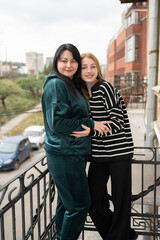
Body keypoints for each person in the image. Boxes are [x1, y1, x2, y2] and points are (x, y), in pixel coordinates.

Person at [41, 44, 109, 240]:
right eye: (64, 61)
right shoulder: (57, 84)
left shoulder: (68, 83)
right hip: (64, 154)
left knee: (66, 204)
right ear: (56, 62)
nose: (68, 65)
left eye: (73, 61)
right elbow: (57, 123)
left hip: (71, 153)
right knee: (79, 205)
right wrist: (90, 124)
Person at [71, 53, 138, 240]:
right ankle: (123, 236)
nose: (89, 71)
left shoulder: (104, 87)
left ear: (98, 68)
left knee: (120, 201)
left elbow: (117, 121)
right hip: (98, 155)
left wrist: (91, 130)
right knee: (92, 202)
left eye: (92, 66)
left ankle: (118, 237)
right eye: (84, 67)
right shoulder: (82, 92)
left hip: (119, 152)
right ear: (79, 70)